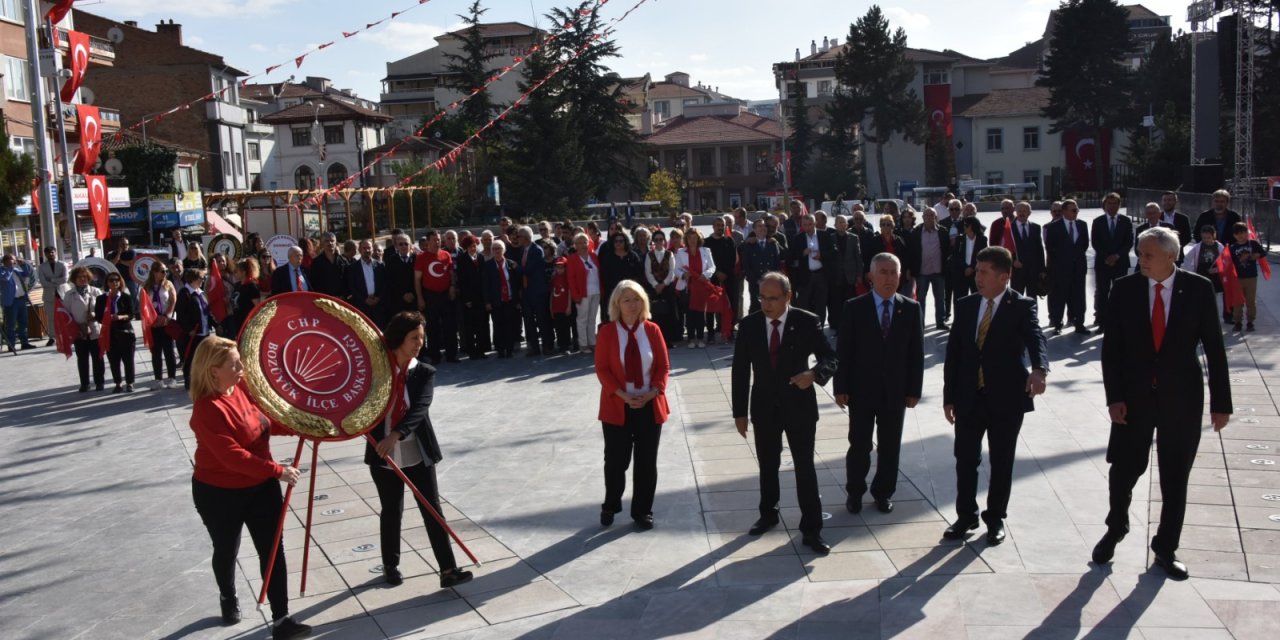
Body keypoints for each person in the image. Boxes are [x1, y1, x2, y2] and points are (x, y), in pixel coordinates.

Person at [1093, 227, 1231, 580]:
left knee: (1175, 476)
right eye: (1140, 252)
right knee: (1123, 469)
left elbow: (1214, 348)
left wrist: (1221, 403)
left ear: (1172, 256)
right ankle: (1116, 526)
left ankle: (1166, 547)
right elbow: (1112, 350)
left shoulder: (1198, 289)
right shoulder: (1123, 289)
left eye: (1149, 254)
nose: (1142, 259)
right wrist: (1115, 398)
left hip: (1181, 398)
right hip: (1134, 398)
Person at [186, 337, 311, 638]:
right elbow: (232, 457)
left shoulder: (241, 389)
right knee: (227, 549)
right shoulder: (207, 409)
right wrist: (278, 470)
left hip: (261, 488)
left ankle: (281, 619)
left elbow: (265, 421)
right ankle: (228, 595)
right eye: (234, 363)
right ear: (213, 371)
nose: (242, 367)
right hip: (219, 492)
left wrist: (300, 425)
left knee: (272, 550)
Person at [942, 247, 1049, 546]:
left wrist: (1039, 369)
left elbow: (1035, 337)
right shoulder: (964, 305)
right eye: (976, 271)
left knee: (1002, 461)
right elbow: (954, 355)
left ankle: (995, 518)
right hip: (968, 396)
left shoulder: (1022, 305)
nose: (977, 277)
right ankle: (966, 516)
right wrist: (949, 397)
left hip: (1006, 398)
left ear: (1004, 276)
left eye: (984, 272)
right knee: (965, 459)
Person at [366, 312, 475, 590]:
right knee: (392, 509)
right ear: (399, 338)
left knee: (432, 508)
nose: (419, 344)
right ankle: (390, 565)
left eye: (422, 338)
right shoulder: (378, 370)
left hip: (417, 449)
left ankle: (448, 569)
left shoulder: (424, 372)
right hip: (383, 452)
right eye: (414, 338)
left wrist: (396, 434)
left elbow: (418, 410)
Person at [731, 272, 837, 555]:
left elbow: (831, 357)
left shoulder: (806, 321)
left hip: (799, 406)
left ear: (788, 297)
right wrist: (739, 412)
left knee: (804, 466)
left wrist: (814, 374)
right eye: (762, 297)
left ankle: (812, 528)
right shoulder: (749, 325)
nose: (766, 304)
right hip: (764, 406)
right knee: (768, 464)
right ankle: (768, 513)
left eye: (773, 298)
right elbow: (740, 371)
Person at [834, 254, 923, 514]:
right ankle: (855, 492)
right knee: (859, 444)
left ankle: (883, 492)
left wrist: (913, 390)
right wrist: (840, 387)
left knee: (890, 446)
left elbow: (915, 354)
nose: (889, 278)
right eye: (883, 272)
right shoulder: (854, 307)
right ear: (871, 276)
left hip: (895, 392)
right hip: (861, 391)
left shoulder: (911, 308)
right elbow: (844, 351)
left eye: (894, 273)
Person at [594, 281, 671, 530]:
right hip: (618, 404)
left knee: (647, 461)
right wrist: (622, 395)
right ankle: (611, 504)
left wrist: (654, 391)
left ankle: (642, 511)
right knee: (616, 460)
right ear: (617, 304)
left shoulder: (653, 330)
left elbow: (663, 366)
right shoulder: (606, 332)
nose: (632, 304)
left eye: (636, 299)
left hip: (649, 403)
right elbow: (603, 369)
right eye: (626, 299)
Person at [1044, 199, 1091, 334]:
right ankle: (1058, 324)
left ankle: (1079, 324)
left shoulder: (1082, 225)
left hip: (1078, 268)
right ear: (1064, 211)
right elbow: (1050, 247)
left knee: (1079, 297)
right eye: (1074, 210)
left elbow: (1084, 245)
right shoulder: (1053, 227)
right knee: (1060, 297)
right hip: (1061, 269)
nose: (1076, 212)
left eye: (1077, 210)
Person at [1090, 193, 1134, 331]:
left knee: (1119, 293)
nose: (1112, 206)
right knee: (1102, 293)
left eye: (1115, 203)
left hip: (1120, 263)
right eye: (1109, 203)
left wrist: (1117, 256)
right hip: (1103, 264)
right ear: (1105, 205)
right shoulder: (1098, 221)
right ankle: (1102, 322)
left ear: (1119, 205)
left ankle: (1118, 321)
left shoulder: (1126, 221)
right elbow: (1095, 242)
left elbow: (1129, 242)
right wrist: (1107, 257)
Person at [415, 230, 459, 364]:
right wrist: (420, 298)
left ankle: (452, 355)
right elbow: (417, 280)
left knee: (450, 326)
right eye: (434, 240)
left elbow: (451, 273)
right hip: (430, 296)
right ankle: (435, 356)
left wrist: (452, 286)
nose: (437, 242)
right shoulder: (421, 257)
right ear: (427, 242)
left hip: (445, 295)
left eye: (439, 239)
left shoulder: (446, 255)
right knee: (432, 327)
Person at [63, 267, 105, 391]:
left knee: (98, 357)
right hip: (78, 330)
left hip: (94, 329)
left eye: (84, 277)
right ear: (74, 279)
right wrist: (74, 328)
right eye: (79, 277)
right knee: (82, 358)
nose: (82, 279)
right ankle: (85, 383)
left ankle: (99, 382)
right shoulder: (69, 295)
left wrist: (95, 315)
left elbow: (103, 311)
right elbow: (66, 314)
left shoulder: (96, 291)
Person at [789, 215, 834, 327]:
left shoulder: (824, 235)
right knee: (804, 304)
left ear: (815, 223)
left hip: (821, 274)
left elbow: (833, 252)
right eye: (805, 225)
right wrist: (802, 253)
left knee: (821, 304)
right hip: (805, 276)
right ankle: (805, 328)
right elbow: (791, 256)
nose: (807, 227)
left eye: (810, 224)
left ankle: (820, 329)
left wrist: (821, 255)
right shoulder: (798, 238)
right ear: (802, 225)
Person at [908, 209, 950, 329]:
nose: (929, 217)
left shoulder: (943, 231)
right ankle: (920, 323)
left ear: (936, 217)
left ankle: (940, 322)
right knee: (921, 299)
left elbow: (947, 250)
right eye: (926, 215)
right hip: (922, 272)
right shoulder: (916, 232)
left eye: (932, 215)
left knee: (940, 298)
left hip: (939, 271)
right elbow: (912, 252)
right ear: (922, 217)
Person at [95, 272, 136, 393]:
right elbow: (98, 316)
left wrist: (121, 317)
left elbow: (132, 314)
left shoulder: (125, 297)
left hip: (125, 331)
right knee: (114, 360)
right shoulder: (101, 299)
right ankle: (118, 383)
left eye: (117, 280)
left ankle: (130, 382)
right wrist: (107, 317)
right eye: (111, 280)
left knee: (128, 359)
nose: (114, 282)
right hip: (109, 332)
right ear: (107, 283)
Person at [516, 226, 554, 356]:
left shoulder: (537, 250)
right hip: (527, 291)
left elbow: (529, 269)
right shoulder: (523, 250)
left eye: (519, 236)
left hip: (538, 291)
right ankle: (534, 347)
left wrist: (517, 267)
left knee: (542, 319)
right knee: (529, 321)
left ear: (525, 237)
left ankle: (547, 346)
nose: (517, 238)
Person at [676, 228, 716, 348]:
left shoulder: (706, 250)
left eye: (694, 238)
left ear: (698, 239)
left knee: (700, 313)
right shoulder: (681, 252)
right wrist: (683, 274)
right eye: (689, 238)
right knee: (689, 314)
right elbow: (676, 269)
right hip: (688, 287)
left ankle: (700, 337)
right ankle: (691, 338)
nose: (692, 240)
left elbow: (712, 267)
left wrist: (706, 275)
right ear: (686, 240)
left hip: (702, 286)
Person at [177, 269, 215, 390]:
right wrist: (188, 329)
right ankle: (189, 381)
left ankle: (202, 380)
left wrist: (214, 324)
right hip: (192, 333)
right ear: (193, 279)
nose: (203, 281)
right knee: (190, 357)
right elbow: (181, 314)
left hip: (204, 331)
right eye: (201, 278)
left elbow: (206, 311)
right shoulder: (185, 293)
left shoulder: (201, 293)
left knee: (204, 357)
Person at [483, 240, 522, 358]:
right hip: (496, 301)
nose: (497, 251)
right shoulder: (488, 265)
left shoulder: (511, 264)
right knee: (498, 325)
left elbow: (517, 283)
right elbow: (485, 285)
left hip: (510, 300)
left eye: (499, 248)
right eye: (494, 248)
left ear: (504, 250)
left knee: (510, 325)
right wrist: (487, 302)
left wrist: (518, 301)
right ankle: (500, 349)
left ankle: (509, 349)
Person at [144, 263, 180, 389]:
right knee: (156, 352)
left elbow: (173, 300)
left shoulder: (168, 284)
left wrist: (166, 316)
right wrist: (151, 319)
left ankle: (172, 378)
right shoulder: (147, 286)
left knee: (169, 351)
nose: (165, 273)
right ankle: (158, 379)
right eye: (162, 271)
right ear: (154, 272)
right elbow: (144, 304)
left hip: (165, 321)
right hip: (153, 322)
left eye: (165, 271)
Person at [455, 236, 490, 359]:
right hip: (469, 298)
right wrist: (467, 299)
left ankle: (481, 349)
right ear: (466, 248)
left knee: (481, 324)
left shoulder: (480, 257)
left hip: (481, 296)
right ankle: (471, 351)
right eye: (470, 247)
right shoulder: (462, 259)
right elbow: (462, 281)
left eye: (474, 246)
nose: (473, 249)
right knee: (469, 326)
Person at [567, 233, 603, 353]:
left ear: (588, 243)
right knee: (582, 319)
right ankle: (583, 344)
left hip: (596, 291)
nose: (583, 245)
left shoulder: (594, 256)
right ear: (575, 245)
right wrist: (576, 295)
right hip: (583, 293)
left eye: (585, 242)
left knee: (592, 318)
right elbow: (571, 280)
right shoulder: (572, 259)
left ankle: (592, 342)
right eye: (580, 242)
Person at [1228, 222, 1266, 332]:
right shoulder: (1232, 247)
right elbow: (1228, 262)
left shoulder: (1253, 244)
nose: (1241, 236)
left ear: (1247, 233)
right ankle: (1237, 322)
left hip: (1251, 277)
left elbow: (1263, 253)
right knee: (1237, 302)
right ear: (1234, 235)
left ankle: (1250, 322)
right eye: (1238, 234)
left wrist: (1256, 255)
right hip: (1237, 278)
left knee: (1250, 301)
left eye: (1243, 233)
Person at [643, 229, 680, 344]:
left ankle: (669, 339)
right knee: (655, 314)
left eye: (661, 239)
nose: (659, 242)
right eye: (656, 240)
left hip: (667, 288)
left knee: (669, 313)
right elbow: (648, 272)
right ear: (653, 241)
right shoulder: (649, 255)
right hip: (654, 289)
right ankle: (655, 340)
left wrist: (663, 284)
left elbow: (672, 272)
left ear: (664, 241)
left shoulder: (670, 254)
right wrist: (655, 285)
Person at [740, 219, 782, 316]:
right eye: (759, 226)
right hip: (755, 283)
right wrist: (756, 280)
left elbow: (777, 264)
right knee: (756, 307)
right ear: (754, 230)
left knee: (771, 306)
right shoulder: (749, 245)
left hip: (771, 283)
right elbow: (746, 266)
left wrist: (773, 279)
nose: (762, 228)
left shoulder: (773, 244)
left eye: (764, 226)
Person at [704, 218, 738, 338]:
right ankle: (711, 333)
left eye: (722, 225)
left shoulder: (730, 241)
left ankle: (729, 330)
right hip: (712, 278)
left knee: (730, 305)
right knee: (711, 306)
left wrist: (725, 273)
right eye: (718, 225)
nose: (720, 227)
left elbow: (733, 259)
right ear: (713, 226)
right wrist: (716, 273)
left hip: (728, 278)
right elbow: (706, 262)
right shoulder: (706, 242)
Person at [600, 231, 642, 324]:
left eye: (621, 241)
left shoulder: (633, 256)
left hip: (631, 293)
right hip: (613, 293)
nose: (618, 243)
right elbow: (605, 276)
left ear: (625, 242)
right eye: (616, 241)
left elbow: (638, 274)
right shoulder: (608, 258)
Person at [0, 254, 36, 353]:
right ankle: (11, 344)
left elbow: (26, 274)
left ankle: (24, 343)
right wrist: (11, 267)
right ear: (6, 261)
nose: (15, 261)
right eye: (13, 260)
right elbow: (6, 278)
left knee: (23, 322)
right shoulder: (2, 270)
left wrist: (23, 264)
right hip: (11, 301)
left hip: (21, 299)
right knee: (11, 324)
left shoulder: (16, 269)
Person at [1009, 201, 1046, 297]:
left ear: (1029, 212)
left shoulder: (1036, 227)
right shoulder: (1008, 229)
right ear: (1015, 212)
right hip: (1017, 271)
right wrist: (1013, 262)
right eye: (1019, 211)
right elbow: (1004, 249)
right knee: (1015, 299)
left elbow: (1040, 249)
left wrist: (1042, 269)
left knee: (1032, 299)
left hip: (1033, 271)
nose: (1022, 213)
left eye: (1024, 211)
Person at [347, 239, 387, 327]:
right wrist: (364, 299)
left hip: (378, 306)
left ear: (372, 249)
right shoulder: (353, 268)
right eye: (364, 248)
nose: (367, 250)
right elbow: (352, 287)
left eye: (369, 248)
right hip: (362, 307)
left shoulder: (380, 265)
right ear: (360, 250)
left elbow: (385, 284)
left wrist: (378, 298)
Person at [867, 215, 908, 295]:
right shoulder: (874, 241)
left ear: (893, 226)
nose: (885, 226)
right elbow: (868, 258)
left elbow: (905, 257)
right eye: (883, 224)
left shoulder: (899, 240)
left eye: (888, 224)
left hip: (895, 273)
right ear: (880, 226)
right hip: (880, 274)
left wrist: (906, 271)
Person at [949, 217, 986, 298]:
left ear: (972, 226)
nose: (964, 227)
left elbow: (983, 256)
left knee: (977, 298)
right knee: (959, 299)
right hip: (961, 273)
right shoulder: (959, 239)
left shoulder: (982, 240)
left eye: (966, 225)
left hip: (976, 273)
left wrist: (972, 268)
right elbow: (955, 256)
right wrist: (965, 268)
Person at [38, 246, 68, 347]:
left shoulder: (63, 264)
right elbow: (43, 282)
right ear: (45, 254)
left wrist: (51, 280)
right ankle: (52, 337)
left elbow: (65, 279)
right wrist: (56, 281)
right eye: (48, 253)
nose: (51, 254)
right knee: (51, 318)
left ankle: (66, 335)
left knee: (65, 316)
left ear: (55, 253)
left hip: (63, 294)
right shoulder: (41, 267)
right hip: (49, 296)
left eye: (52, 252)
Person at [386, 233, 419, 316]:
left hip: (415, 299)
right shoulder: (391, 260)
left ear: (410, 245)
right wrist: (402, 295)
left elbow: (420, 279)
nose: (404, 246)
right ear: (396, 246)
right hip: (398, 301)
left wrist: (413, 294)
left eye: (406, 244)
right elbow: (389, 281)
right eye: (401, 244)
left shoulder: (417, 258)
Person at [229, 258, 262, 339]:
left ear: (243, 272)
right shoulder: (237, 285)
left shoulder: (251, 287)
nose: (234, 274)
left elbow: (258, 307)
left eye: (236, 271)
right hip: (237, 322)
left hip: (247, 324)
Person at [309, 232, 349, 299]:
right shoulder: (316, 263)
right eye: (326, 241)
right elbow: (313, 283)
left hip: (342, 300)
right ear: (322, 244)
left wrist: (345, 295)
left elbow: (349, 279)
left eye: (332, 241)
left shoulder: (343, 261)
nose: (330, 243)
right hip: (324, 301)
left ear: (335, 243)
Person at [550, 257, 573, 352]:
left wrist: (569, 306)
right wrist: (551, 308)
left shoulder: (567, 278)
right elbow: (552, 294)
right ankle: (561, 345)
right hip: (556, 308)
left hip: (565, 307)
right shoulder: (553, 278)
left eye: (562, 267)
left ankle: (567, 344)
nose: (559, 269)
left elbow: (569, 292)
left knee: (566, 326)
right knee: (558, 327)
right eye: (557, 267)